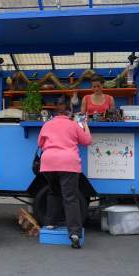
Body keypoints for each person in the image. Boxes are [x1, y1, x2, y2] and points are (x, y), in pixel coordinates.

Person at [37, 100, 92, 249]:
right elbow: (87, 141)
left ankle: (49, 223)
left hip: (48, 164)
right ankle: (74, 233)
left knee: (53, 193)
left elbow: (40, 144)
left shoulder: (47, 125)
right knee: (70, 197)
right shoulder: (74, 125)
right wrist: (85, 125)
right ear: (69, 113)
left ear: (55, 113)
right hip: (68, 163)